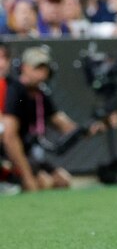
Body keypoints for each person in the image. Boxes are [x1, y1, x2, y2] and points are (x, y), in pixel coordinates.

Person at [1, 46, 104, 192]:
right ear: (24, 68)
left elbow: (63, 124)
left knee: (62, 180)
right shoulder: (15, 91)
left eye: (45, 68)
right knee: (44, 182)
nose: (42, 72)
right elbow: (9, 138)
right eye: (37, 67)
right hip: (11, 158)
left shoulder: (41, 95)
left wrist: (89, 129)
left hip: (29, 154)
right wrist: (27, 177)